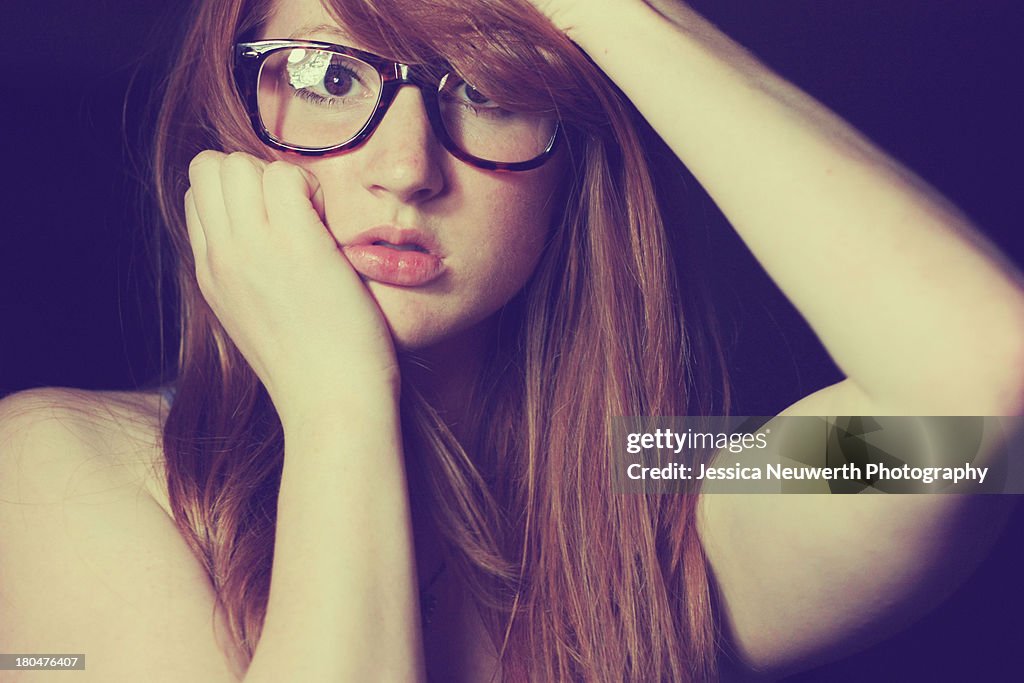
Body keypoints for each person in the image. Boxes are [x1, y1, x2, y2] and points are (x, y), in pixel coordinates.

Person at [1, 0, 1021, 680]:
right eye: (323, 75)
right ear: (221, 124)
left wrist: (604, 11)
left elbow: (977, 398)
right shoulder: (65, 468)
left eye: (491, 92)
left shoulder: (651, 502)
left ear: (565, 176)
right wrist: (339, 403)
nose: (406, 166)